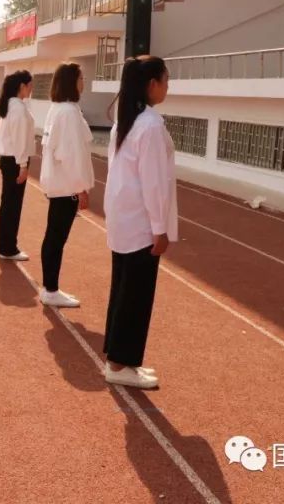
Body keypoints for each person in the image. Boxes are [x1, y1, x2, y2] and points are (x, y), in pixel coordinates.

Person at [102, 56, 177, 389]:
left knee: (124, 289)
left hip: (124, 216)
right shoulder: (149, 125)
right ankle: (119, 364)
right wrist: (160, 228)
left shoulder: (128, 121)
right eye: (166, 80)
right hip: (140, 221)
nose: (168, 87)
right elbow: (155, 181)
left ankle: (122, 359)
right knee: (135, 294)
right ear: (152, 84)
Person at [38, 63, 95, 309]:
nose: (84, 82)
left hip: (59, 183)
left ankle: (49, 287)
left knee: (54, 237)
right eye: (81, 78)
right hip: (66, 185)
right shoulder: (68, 112)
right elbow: (71, 154)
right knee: (56, 238)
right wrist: (81, 187)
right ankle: (50, 289)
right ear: (72, 82)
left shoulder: (59, 108)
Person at [0, 70, 35, 262]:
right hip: (15, 161)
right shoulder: (17, 107)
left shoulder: (12, 104)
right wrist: (23, 165)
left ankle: (6, 245)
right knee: (12, 205)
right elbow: (20, 140)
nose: (31, 88)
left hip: (11, 160)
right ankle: (8, 247)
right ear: (22, 86)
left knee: (8, 204)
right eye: (30, 85)